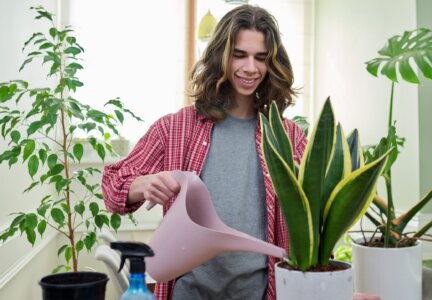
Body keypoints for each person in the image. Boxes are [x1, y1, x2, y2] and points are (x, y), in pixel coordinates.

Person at [102, 4, 379, 300]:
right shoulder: (176, 127)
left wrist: (333, 291)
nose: (250, 68)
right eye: (239, 55)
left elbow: (314, 228)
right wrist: (143, 185)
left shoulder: (289, 138)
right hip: (188, 291)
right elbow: (112, 187)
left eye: (261, 58)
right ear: (220, 56)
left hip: (259, 292)